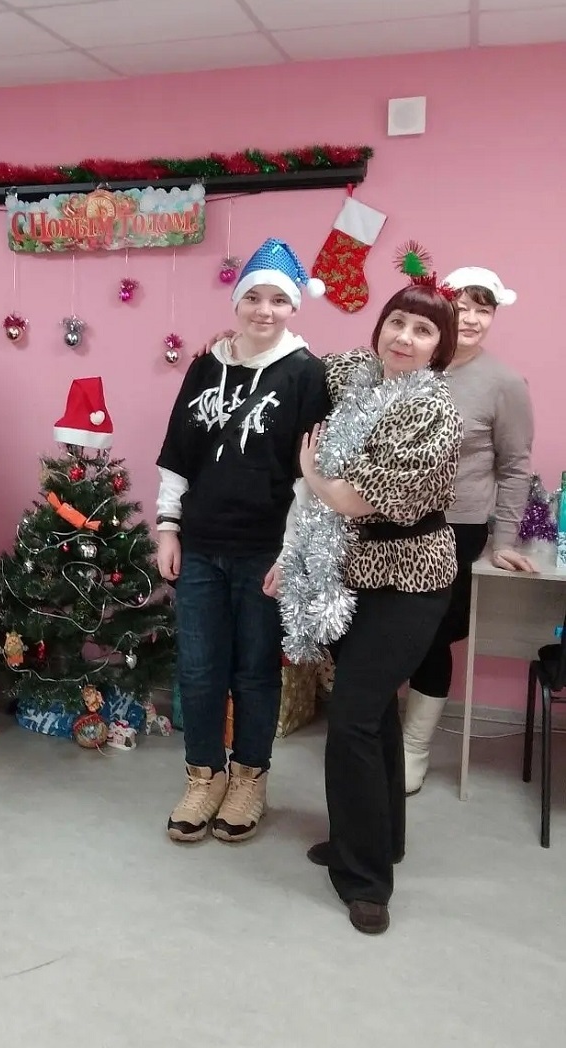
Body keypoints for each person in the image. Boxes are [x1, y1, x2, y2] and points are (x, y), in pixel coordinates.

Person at [281, 263, 463, 935]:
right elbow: (306, 363)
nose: (405, 337)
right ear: (379, 327)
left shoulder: (435, 411)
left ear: (439, 347)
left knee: (354, 718)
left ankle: (364, 879)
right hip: (357, 571)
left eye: (423, 330)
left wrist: (312, 473)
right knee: (375, 713)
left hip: (411, 576)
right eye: (397, 322)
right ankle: (381, 839)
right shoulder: (358, 377)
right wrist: (237, 338)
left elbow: (359, 499)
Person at [155, 238, 330, 844]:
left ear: (294, 307)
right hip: (201, 545)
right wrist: (167, 526)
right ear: (236, 302)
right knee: (199, 669)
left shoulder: (307, 374)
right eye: (254, 297)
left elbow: (309, 478)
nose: (265, 310)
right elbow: (178, 454)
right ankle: (203, 776)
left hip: (264, 550)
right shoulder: (206, 366)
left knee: (255, 670)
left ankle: (249, 778)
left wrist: (292, 552)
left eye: (278, 299)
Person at [401, 267, 534, 792]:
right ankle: (372, 733)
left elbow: (515, 466)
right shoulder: (410, 362)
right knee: (382, 631)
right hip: (388, 522)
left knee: (433, 637)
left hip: (456, 529)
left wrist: (504, 542)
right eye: (463, 307)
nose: (473, 318)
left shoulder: (504, 383)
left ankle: (413, 747)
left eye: (485, 309)